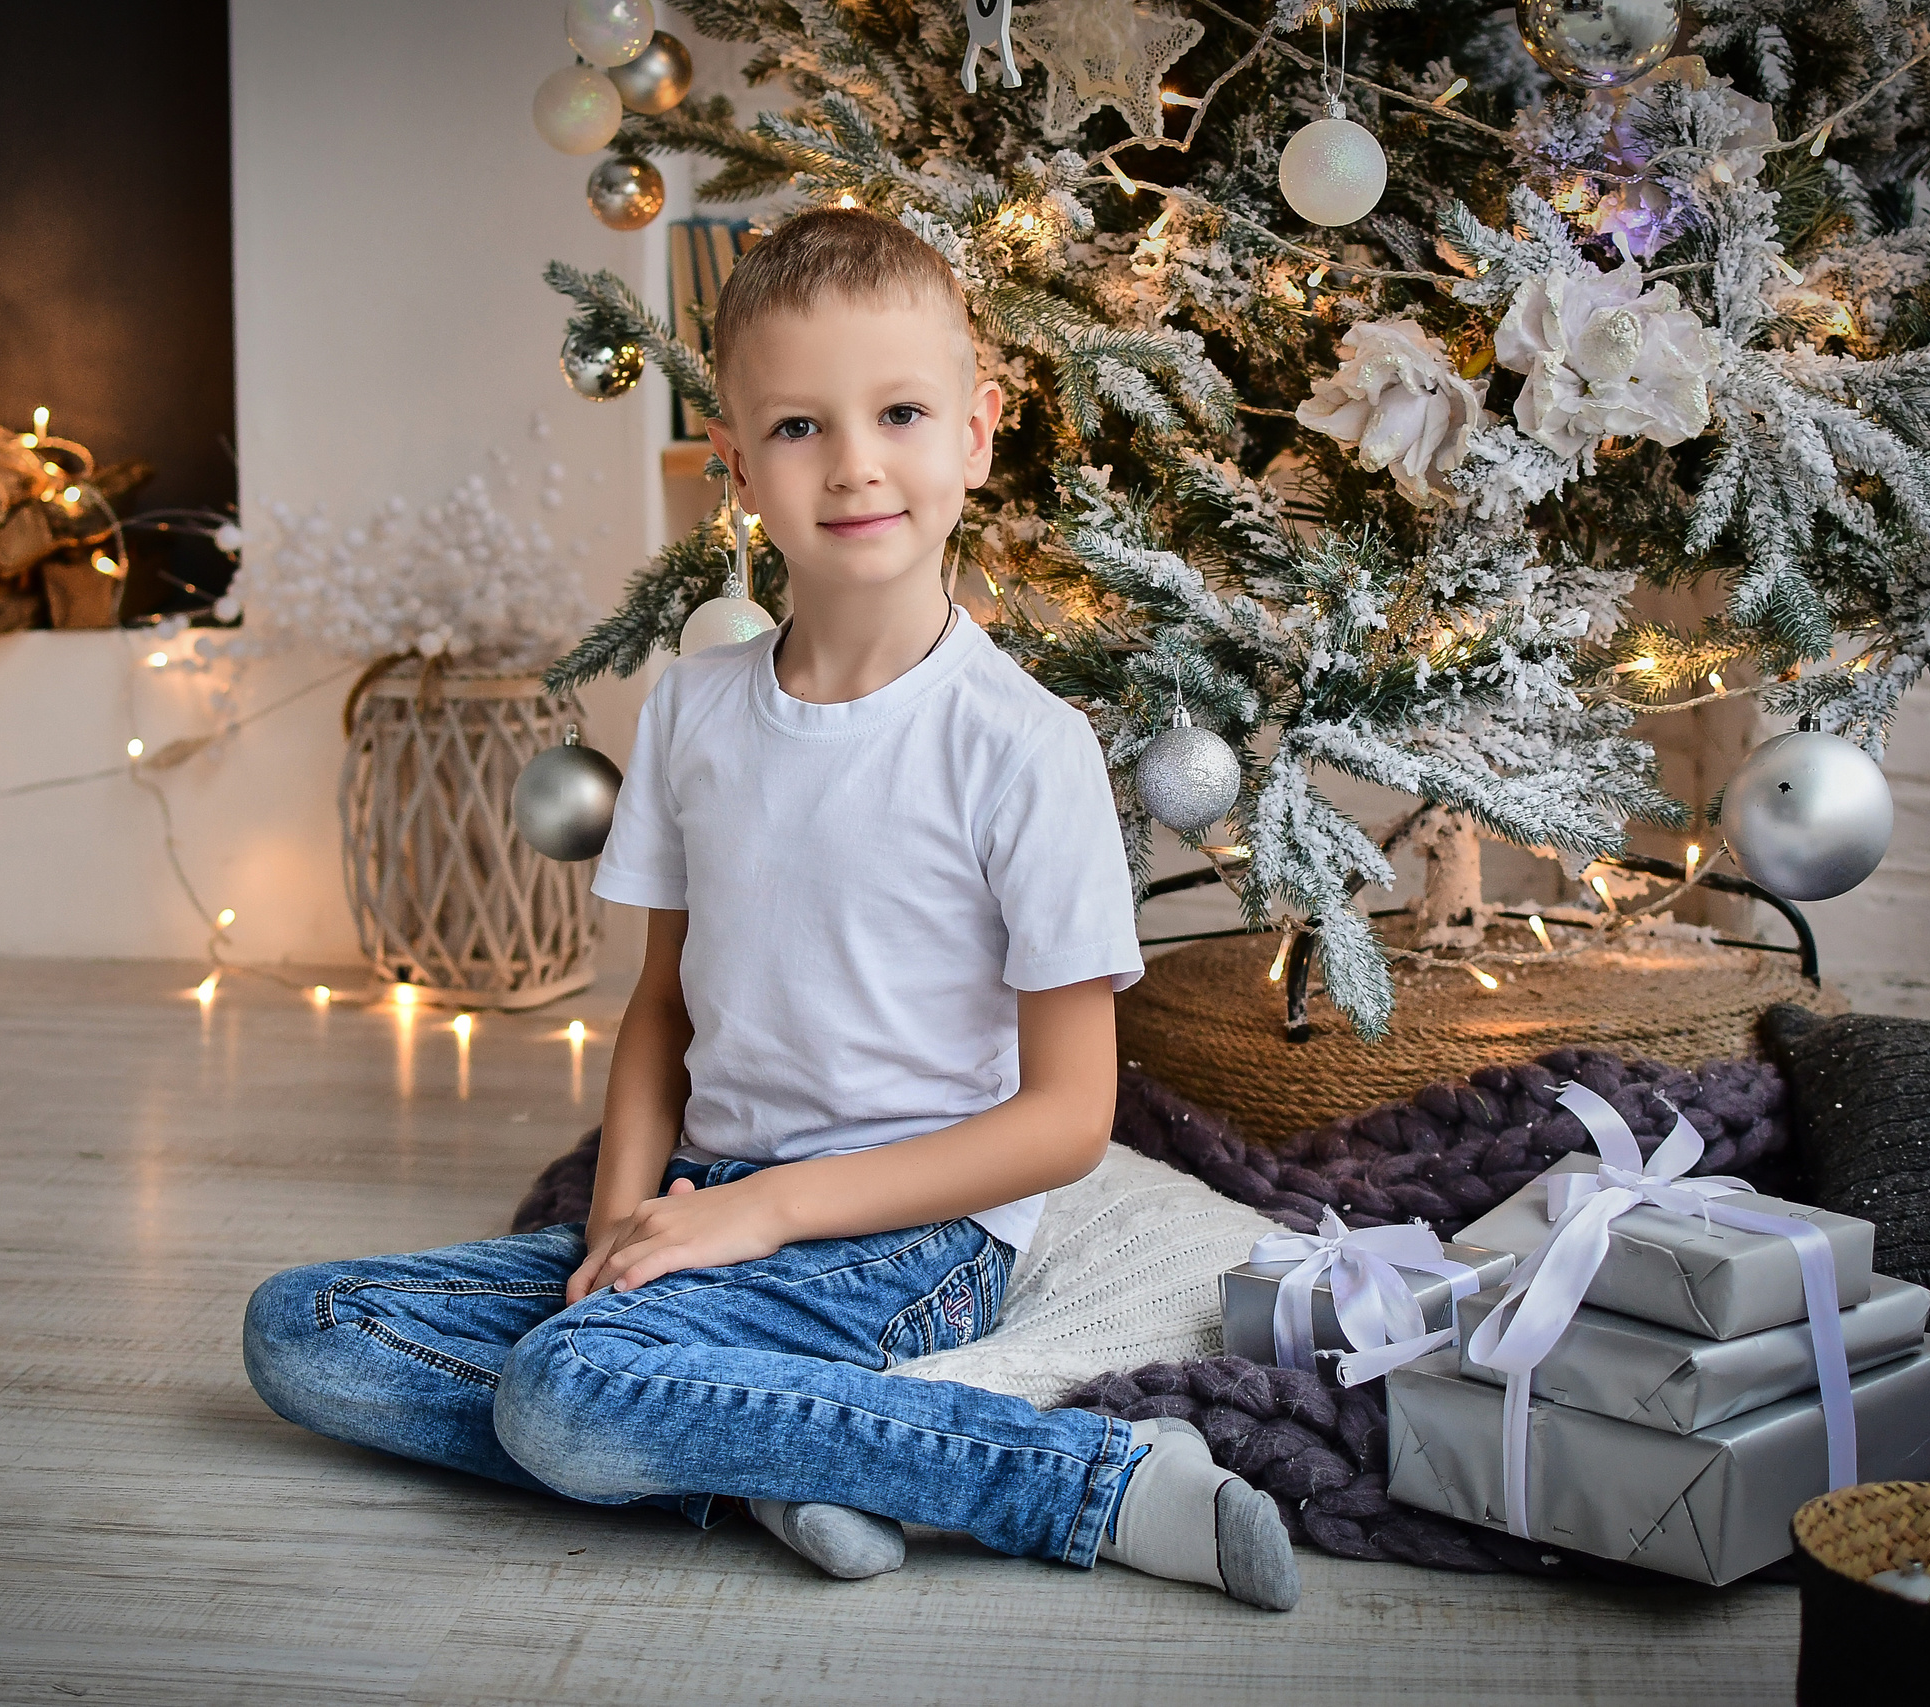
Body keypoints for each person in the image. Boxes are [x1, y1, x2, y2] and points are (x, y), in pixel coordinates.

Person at [242, 208, 1298, 1609]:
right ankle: (775, 1460)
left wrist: (766, 1220)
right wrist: (623, 1226)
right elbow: (661, 1010)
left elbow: (1062, 1123)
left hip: (912, 1237)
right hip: (706, 1200)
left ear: (976, 436)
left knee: (561, 1399)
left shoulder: (1021, 749)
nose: (856, 463)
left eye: (901, 413)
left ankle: (1087, 1481)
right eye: (799, 429)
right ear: (734, 469)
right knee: (305, 1327)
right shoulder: (693, 712)